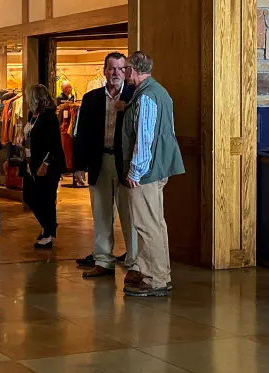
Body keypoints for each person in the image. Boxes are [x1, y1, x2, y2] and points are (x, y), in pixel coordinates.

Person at [118, 52, 184, 297]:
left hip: (146, 171)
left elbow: (145, 139)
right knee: (155, 223)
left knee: (146, 225)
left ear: (133, 70)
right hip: (157, 168)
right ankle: (158, 273)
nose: (123, 74)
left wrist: (135, 170)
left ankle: (155, 278)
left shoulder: (146, 96)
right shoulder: (160, 92)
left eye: (125, 70)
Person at [73, 52, 138, 277]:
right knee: (101, 214)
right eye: (112, 69)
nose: (116, 73)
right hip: (99, 161)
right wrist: (79, 166)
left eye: (121, 69)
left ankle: (133, 263)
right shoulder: (91, 98)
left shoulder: (132, 96)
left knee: (129, 215)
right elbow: (82, 135)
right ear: (104, 71)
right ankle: (102, 260)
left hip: (125, 165)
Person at [23, 83, 64, 249]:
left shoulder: (49, 116)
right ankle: (47, 226)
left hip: (46, 164)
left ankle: (48, 233)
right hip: (30, 162)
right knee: (30, 196)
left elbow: (53, 143)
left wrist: (45, 163)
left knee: (45, 199)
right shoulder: (32, 115)